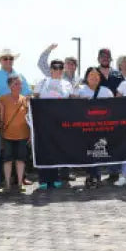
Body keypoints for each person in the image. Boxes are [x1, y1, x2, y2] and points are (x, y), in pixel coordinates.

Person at [33, 59, 73, 189]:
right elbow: (35, 99)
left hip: (60, 122)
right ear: (50, 69)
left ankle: (55, 177)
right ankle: (43, 179)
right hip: (43, 121)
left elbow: (72, 101)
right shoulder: (42, 82)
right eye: (55, 68)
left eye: (60, 68)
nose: (58, 70)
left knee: (56, 149)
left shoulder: (67, 84)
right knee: (44, 150)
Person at [74, 67, 114, 188]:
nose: (94, 77)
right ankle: (93, 175)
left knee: (97, 152)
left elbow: (113, 107)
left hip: (101, 127)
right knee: (87, 152)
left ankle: (94, 176)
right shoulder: (80, 90)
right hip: (84, 127)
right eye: (91, 75)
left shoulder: (106, 91)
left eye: (97, 75)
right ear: (86, 77)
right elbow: (71, 104)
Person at [0, 75, 31, 193]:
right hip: (7, 135)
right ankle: (7, 184)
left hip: (23, 135)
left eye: (20, 84)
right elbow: (0, 119)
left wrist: (31, 135)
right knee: (7, 160)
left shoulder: (25, 100)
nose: (18, 86)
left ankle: (20, 183)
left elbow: (29, 118)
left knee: (21, 160)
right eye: (16, 84)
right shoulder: (3, 99)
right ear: (9, 86)